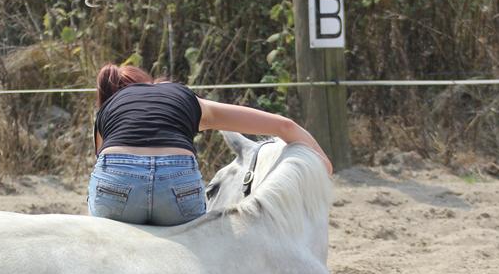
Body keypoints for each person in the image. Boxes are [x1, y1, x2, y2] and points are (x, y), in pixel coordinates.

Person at [89, 63, 333, 226]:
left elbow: (102, 160)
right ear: (152, 85)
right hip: (176, 181)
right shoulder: (185, 99)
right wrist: (324, 164)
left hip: (118, 180)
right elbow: (285, 126)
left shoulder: (107, 111)